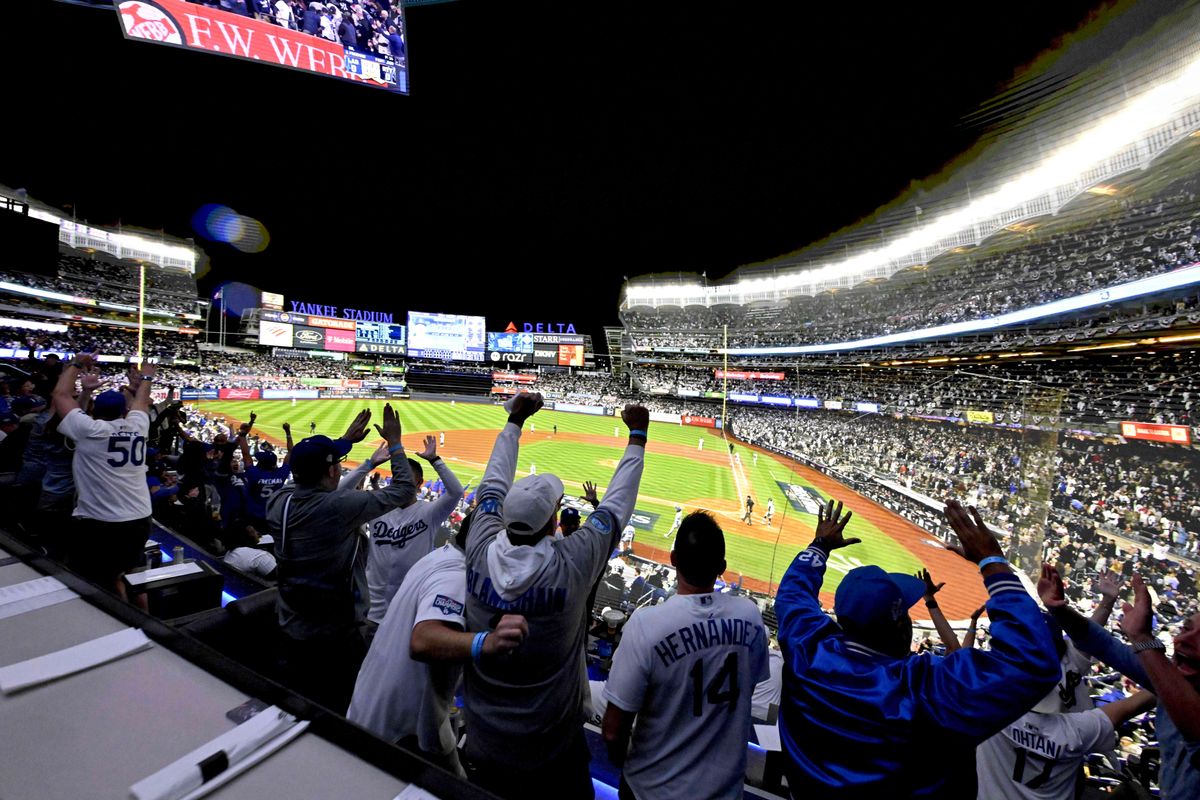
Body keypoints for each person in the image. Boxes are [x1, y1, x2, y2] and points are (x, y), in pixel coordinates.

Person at [775, 499, 1060, 796]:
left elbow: (793, 594)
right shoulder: (925, 689)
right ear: (899, 625)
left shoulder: (805, 649)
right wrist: (991, 562)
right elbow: (1033, 660)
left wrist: (819, 545)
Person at [463, 393, 648, 799]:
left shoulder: (477, 546)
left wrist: (514, 421)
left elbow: (491, 484)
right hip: (552, 752)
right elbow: (616, 506)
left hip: (480, 745)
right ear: (552, 519)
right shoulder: (572, 561)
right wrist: (637, 435)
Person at [603, 511, 768, 800]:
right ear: (722, 567)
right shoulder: (750, 617)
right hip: (725, 792)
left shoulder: (646, 624)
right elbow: (747, 688)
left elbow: (614, 731)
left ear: (673, 558)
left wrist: (622, 762)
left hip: (651, 790)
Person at [348, 512, 528, 776]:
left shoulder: (439, 556)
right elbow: (423, 640)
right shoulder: (458, 576)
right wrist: (487, 643)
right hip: (399, 738)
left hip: (370, 715)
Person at [267, 405, 417, 712]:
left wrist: (343, 443)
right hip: (335, 637)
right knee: (340, 708)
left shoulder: (277, 501)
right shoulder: (339, 507)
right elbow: (403, 490)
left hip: (291, 625)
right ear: (333, 470)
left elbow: (307, 472)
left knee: (298, 702)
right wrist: (395, 442)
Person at [1039, 565, 1200, 798]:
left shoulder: (1169, 682)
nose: (1184, 640)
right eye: (1186, 628)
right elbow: (1102, 644)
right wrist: (1058, 608)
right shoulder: (1168, 679)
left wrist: (1143, 639)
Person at [52, 357, 155, 601]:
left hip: (103, 522)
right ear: (124, 411)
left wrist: (77, 364)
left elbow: (60, 394)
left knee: (102, 584)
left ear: (94, 411)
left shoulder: (90, 430)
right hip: (140, 518)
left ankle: (116, 626)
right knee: (132, 576)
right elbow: (141, 403)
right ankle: (147, 625)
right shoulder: (139, 427)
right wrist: (146, 379)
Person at [365, 434, 464, 624]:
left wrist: (435, 460)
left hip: (407, 614)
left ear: (419, 485)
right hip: (369, 613)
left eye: (407, 481)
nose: (401, 485)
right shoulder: (377, 506)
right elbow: (339, 493)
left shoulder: (429, 512)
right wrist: (369, 465)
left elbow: (456, 492)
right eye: (397, 480)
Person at [240, 420, 293, 539]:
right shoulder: (281, 474)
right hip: (272, 516)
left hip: (252, 515)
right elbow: (291, 452)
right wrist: (288, 432)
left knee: (253, 541)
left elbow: (245, 454)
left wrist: (243, 435)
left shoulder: (254, 473)